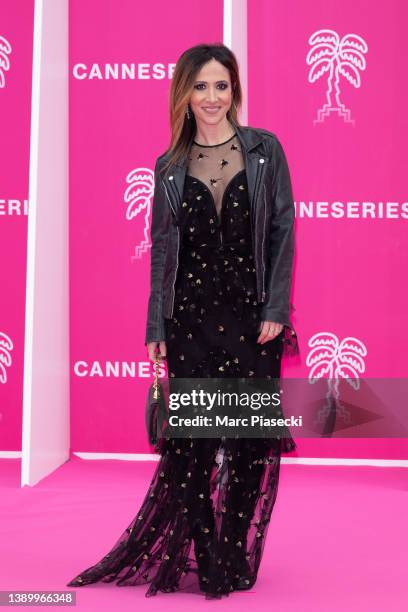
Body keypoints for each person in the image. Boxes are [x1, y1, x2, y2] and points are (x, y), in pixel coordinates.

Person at [67, 43, 299, 599]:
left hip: (251, 319)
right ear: (184, 94)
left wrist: (274, 311)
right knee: (193, 446)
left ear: (234, 91)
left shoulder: (266, 150)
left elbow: (283, 235)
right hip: (190, 318)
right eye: (201, 87)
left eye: (221, 86)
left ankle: (232, 549)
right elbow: (163, 254)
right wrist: (156, 328)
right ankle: (205, 553)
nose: (212, 97)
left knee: (247, 444)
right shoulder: (168, 167)